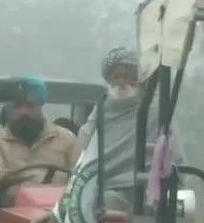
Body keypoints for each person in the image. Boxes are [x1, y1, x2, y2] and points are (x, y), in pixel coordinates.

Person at [77, 47, 186, 211]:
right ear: (108, 80)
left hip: (142, 191)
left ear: (141, 78)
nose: (122, 81)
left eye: (128, 76)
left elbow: (174, 157)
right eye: (116, 76)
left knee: (96, 205)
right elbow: (83, 148)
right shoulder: (100, 111)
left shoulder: (155, 111)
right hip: (99, 188)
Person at [0, 76, 80, 198]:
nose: (24, 112)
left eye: (30, 106)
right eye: (18, 106)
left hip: (56, 209)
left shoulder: (66, 139)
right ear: (10, 109)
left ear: (40, 107)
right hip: (12, 210)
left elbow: (80, 175)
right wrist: (1, 177)